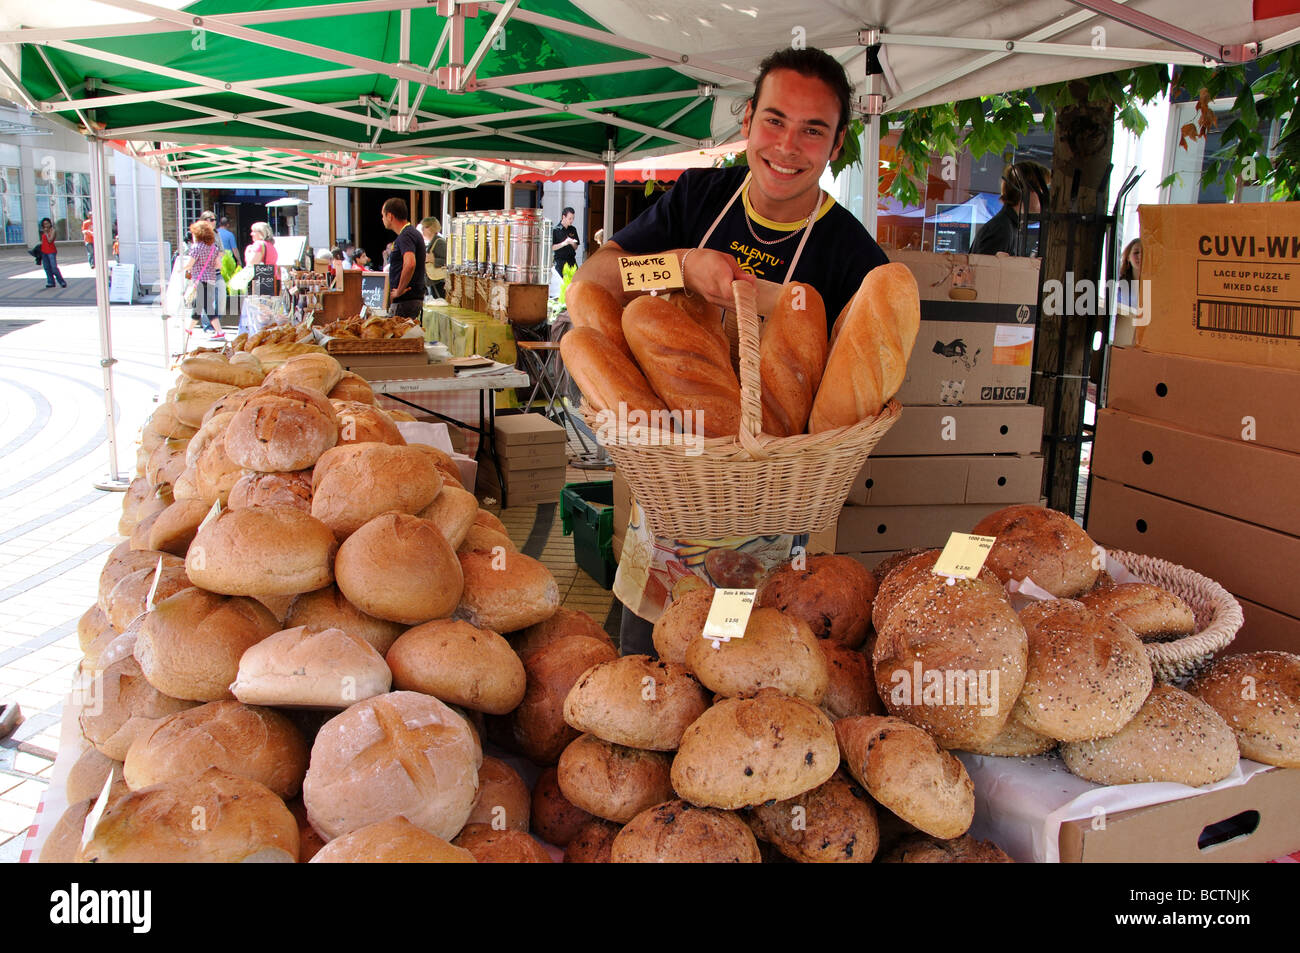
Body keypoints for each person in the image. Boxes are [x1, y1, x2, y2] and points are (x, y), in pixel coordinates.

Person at [574, 46, 890, 656]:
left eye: (812, 130)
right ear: (746, 120)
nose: (788, 146)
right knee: (648, 690)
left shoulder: (851, 256)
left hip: (778, 538)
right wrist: (681, 265)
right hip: (671, 516)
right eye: (774, 120)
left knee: (753, 699)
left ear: (837, 144)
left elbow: (859, 401)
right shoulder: (699, 198)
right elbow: (596, 278)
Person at [971, 160, 1050, 257]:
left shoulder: (1008, 225)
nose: (1044, 196)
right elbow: (985, 270)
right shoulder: (1001, 229)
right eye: (1041, 190)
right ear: (1025, 190)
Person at [381, 197, 426, 319]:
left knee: (398, 337)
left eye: (383, 215)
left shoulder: (406, 235)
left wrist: (399, 290)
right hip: (408, 301)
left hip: (405, 301)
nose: (382, 219)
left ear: (390, 216)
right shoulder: (409, 233)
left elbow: (410, 263)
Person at [184, 219, 225, 339]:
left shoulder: (195, 247)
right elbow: (219, 265)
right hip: (211, 279)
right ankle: (189, 329)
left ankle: (219, 332)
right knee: (199, 305)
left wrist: (181, 269)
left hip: (200, 279)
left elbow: (189, 264)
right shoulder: (213, 248)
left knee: (207, 306)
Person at [421, 216, 448, 298]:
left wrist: (433, 260)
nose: (422, 230)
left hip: (438, 281)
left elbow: (448, 262)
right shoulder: (432, 242)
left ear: (431, 228)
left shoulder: (439, 242)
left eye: (425, 227)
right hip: (433, 281)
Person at [37, 217, 67, 289]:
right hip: (44, 251)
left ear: (50, 223)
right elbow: (42, 241)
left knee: (54, 268)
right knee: (47, 267)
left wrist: (47, 233)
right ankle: (51, 282)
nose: (46, 225)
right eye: (44, 224)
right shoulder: (43, 231)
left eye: (47, 223)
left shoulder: (53, 230)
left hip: (51, 251)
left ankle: (61, 281)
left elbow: (50, 240)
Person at [552, 206, 579, 279]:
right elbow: (552, 247)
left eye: (573, 218)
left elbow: (576, 247)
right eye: (570, 218)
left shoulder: (573, 229)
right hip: (560, 262)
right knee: (561, 285)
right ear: (563, 217)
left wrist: (572, 243)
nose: (571, 221)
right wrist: (564, 243)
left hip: (572, 261)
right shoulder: (556, 230)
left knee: (575, 283)